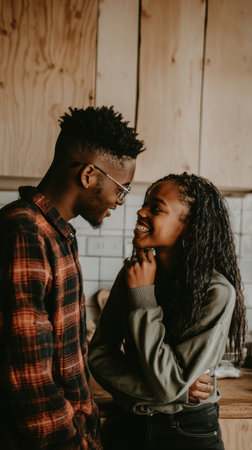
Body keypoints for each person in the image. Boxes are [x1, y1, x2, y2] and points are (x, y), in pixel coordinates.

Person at [0, 106, 145, 449]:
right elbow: (30, 380)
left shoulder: (56, 234)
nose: (121, 201)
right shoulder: (24, 233)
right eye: (121, 189)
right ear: (88, 175)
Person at [89, 172, 247, 450]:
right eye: (145, 203)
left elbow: (170, 386)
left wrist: (143, 295)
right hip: (128, 426)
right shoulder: (132, 274)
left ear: (189, 226)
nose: (140, 211)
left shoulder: (217, 291)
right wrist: (173, 390)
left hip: (189, 431)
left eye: (156, 208)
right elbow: (100, 354)